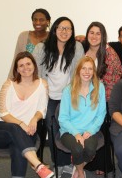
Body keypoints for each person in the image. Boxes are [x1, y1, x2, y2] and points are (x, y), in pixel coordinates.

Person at [0, 51, 53, 178]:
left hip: (26, 132)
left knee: (18, 145)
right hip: (0, 129)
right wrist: (21, 123)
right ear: (17, 69)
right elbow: (3, 113)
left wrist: (35, 119)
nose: (25, 68)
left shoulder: (42, 84)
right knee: (15, 128)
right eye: (21, 65)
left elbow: (42, 109)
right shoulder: (9, 84)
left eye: (28, 64)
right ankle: (38, 165)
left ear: (34, 65)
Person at [33, 17, 84, 173]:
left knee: (68, 128)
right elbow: (36, 73)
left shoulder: (76, 47)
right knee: (52, 126)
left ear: (72, 32)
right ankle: (59, 164)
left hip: (69, 96)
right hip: (48, 97)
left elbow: (80, 72)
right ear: (54, 29)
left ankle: (68, 163)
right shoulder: (42, 48)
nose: (64, 31)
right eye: (61, 28)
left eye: (68, 28)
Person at [82, 21, 122, 175]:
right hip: (86, 98)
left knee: (102, 130)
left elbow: (115, 78)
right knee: (89, 128)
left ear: (103, 36)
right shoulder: (83, 51)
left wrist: (98, 93)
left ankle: (104, 164)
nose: (94, 36)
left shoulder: (109, 52)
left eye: (98, 33)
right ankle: (91, 163)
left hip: (106, 98)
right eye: (91, 33)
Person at [58, 56, 106, 178]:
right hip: (69, 131)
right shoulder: (68, 90)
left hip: (90, 130)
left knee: (90, 150)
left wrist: (91, 130)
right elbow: (63, 118)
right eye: (83, 68)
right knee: (78, 149)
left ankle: (76, 165)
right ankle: (80, 173)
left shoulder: (100, 88)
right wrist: (76, 134)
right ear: (78, 70)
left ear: (94, 72)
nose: (86, 72)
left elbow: (101, 114)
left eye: (90, 69)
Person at [8, 8, 51, 78]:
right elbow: (16, 59)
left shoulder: (53, 38)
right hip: (25, 80)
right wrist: (11, 80)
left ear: (48, 21)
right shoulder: (23, 36)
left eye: (41, 20)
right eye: (35, 19)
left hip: (45, 80)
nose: (37, 22)